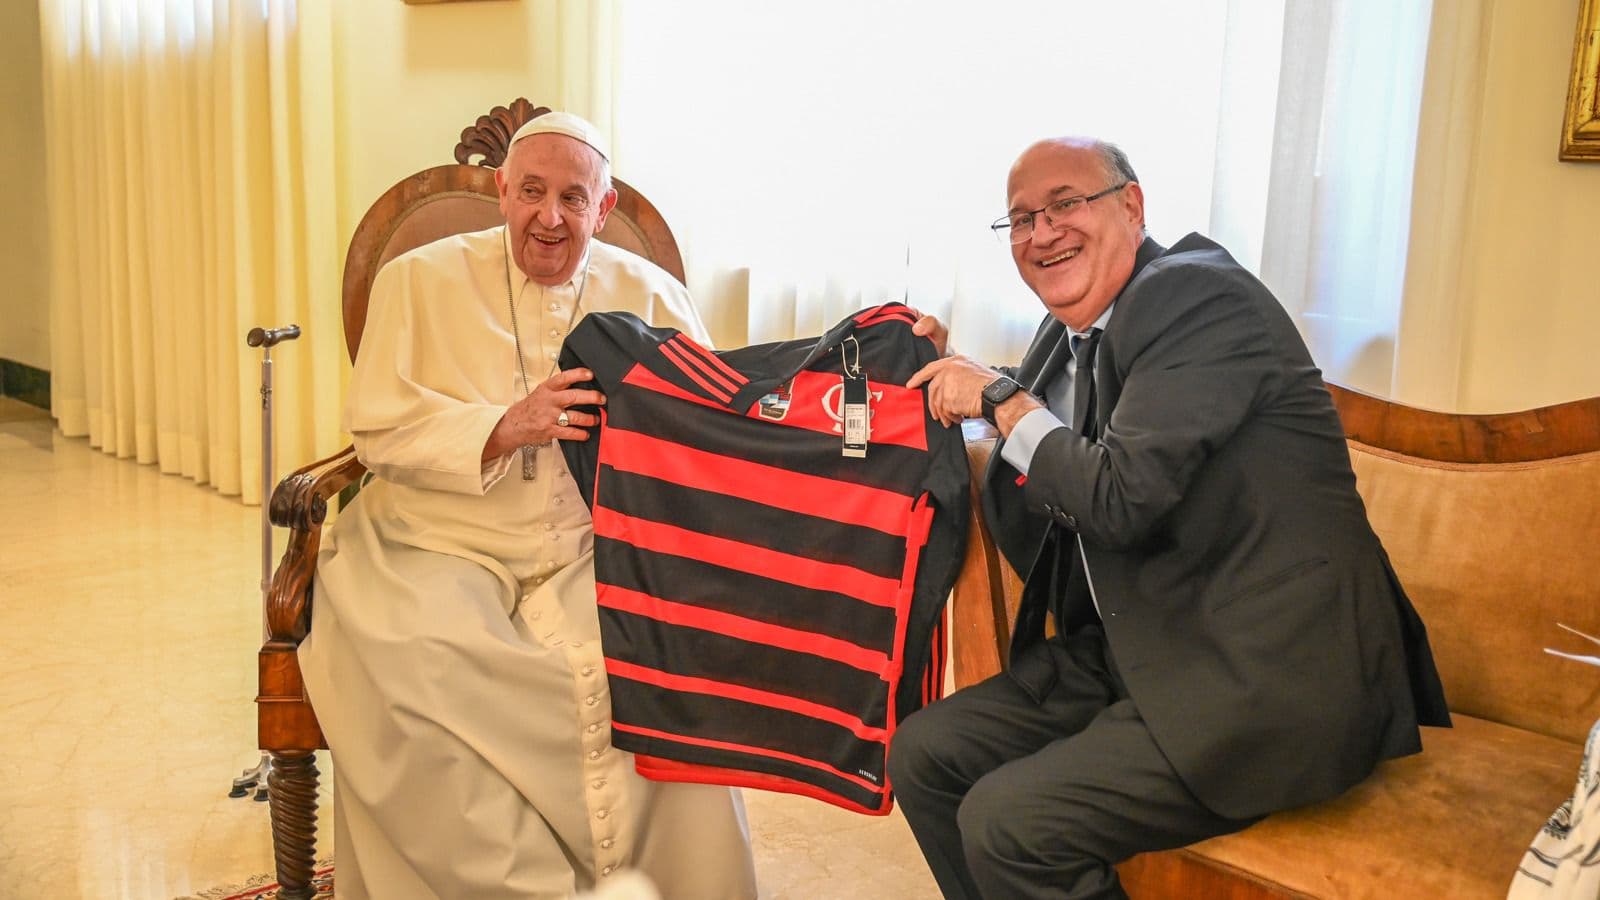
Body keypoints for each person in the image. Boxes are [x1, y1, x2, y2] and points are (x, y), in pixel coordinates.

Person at [889, 136, 1451, 900]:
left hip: (1266, 673)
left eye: (1065, 204)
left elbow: (1116, 495)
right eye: (1020, 219)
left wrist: (995, 396)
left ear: (1132, 205)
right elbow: (1046, 433)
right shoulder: (1072, 329)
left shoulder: (1197, 297)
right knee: (925, 752)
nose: (1041, 232)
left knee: (1011, 822)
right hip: (1148, 646)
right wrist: (965, 371)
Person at [297, 112, 757, 900]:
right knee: (424, 671)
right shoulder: (416, 279)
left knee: (653, 662)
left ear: (602, 209)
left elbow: (712, 429)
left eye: (573, 199)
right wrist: (504, 426)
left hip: (591, 543)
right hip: (433, 539)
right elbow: (375, 430)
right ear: (500, 191)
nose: (550, 216)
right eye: (532, 192)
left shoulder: (652, 293)